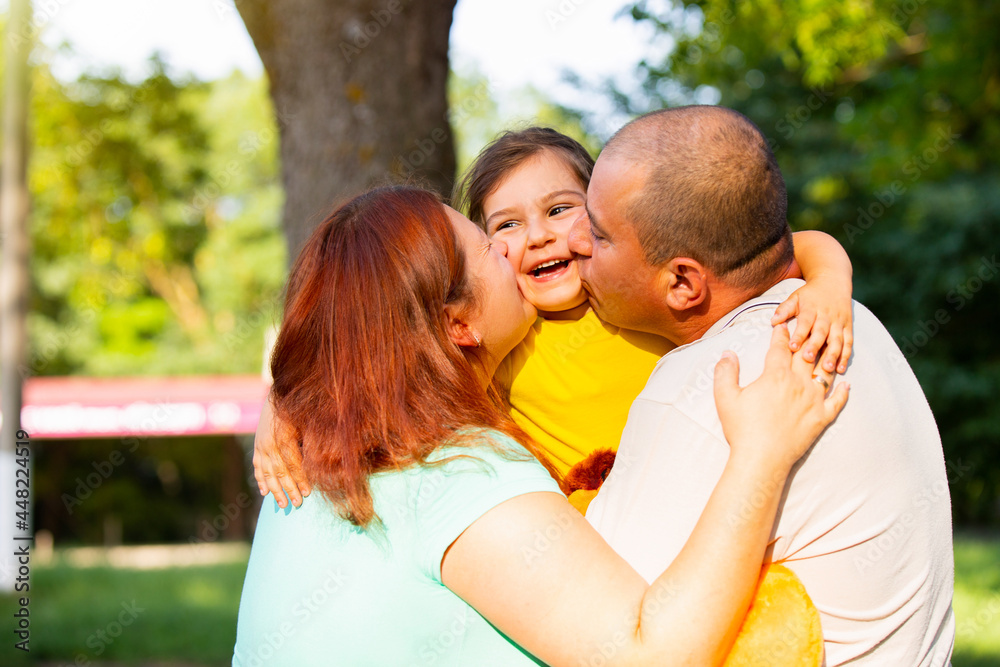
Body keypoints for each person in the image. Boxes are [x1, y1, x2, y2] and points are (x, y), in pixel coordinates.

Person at [232, 185, 848, 665]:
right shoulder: (456, 469)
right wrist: (761, 454)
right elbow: (651, 656)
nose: (509, 248)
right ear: (457, 327)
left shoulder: (316, 459)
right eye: (486, 246)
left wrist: (281, 402)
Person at [254, 127, 855, 495]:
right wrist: (279, 409)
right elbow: (375, 370)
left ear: (602, 214)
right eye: (507, 225)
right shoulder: (503, 340)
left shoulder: (629, 298)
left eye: (560, 209)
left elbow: (788, 245)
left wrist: (830, 283)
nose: (539, 237)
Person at [570, 105, 955, 665]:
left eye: (600, 235)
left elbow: (604, 630)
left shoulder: (710, 381)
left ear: (682, 283)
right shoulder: (856, 321)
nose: (575, 241)